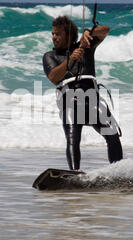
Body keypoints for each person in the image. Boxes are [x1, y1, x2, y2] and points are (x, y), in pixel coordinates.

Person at [42, 16, 123, 171]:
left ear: (69, 35)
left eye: (58, 34)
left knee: (113, 136)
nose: (54, 37)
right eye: (53, 33)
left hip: (93, 101)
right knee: (73, 139)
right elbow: (53, 77)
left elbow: (105, 30)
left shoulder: (85, 46)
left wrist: (88, 32)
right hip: (71, 102)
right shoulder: (50, 56)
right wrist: (71, 59)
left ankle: (118, 172)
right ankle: (75, 171)